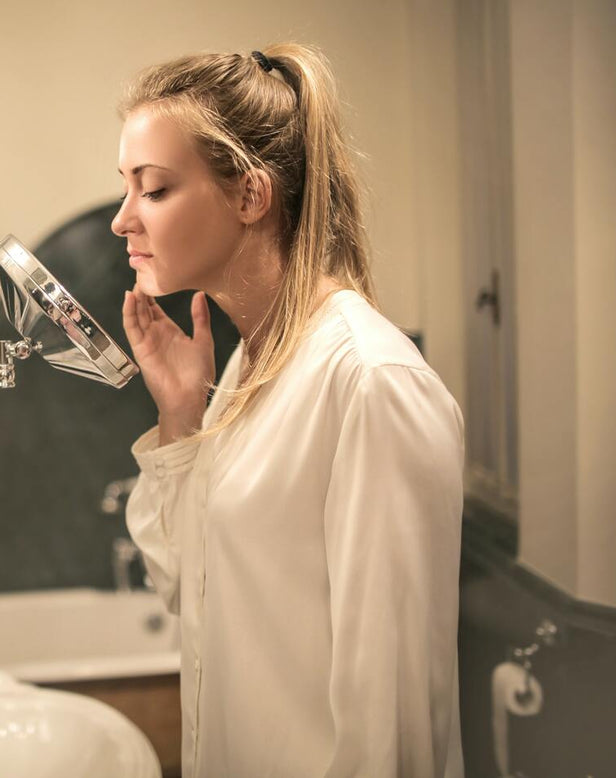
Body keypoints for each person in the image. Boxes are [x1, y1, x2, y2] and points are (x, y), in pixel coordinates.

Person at [114, 44, 464, 777]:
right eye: (127, 189)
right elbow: (187, 585)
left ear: (250, 196)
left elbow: (392, 723)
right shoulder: (248, 365)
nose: (122, 221)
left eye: (153, 189)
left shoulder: (369, 382)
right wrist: (181, 415)